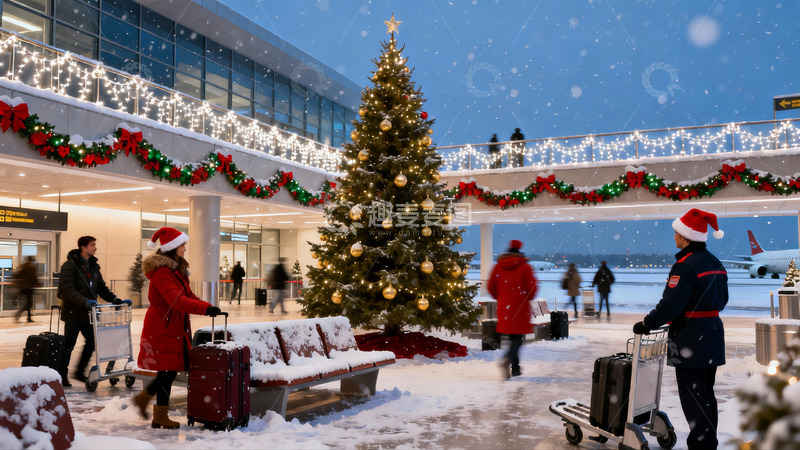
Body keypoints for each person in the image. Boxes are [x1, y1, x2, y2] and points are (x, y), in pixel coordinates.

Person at [633, 209, 728, 450]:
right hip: (712, 335)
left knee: (693, 398)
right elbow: (723, 300)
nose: (675, 237)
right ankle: (707, 442)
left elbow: (671, 306)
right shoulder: (715, 262)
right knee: (705, 394)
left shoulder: (685, 265)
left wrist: (647, 323)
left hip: (689, 338)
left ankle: (701, 445)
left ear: (685, 236)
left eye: (677, 233)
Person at [132, 227, 221, 429]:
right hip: (162, 327)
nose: (185, 248)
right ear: (172, 247)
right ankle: (158, 413)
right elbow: (176, 300)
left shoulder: (176, 270)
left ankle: (152, 407)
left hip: (174, 325)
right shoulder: (163, 273)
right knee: (167, 370)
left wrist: (208, 307)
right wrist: (205, 310)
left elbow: (188, 295)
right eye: (182, 245)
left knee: (169, 371)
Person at [59, 236, 123, 387]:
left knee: (93, 342)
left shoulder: (94, 266)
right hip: (73, 313)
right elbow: (67, 289)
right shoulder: (70, 265)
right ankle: (61, 375)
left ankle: (79, 371)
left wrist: (113, 298)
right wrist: (84, 301)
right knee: (69, 344)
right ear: (83, 247)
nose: (95, 247)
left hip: (89, 314)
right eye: (92, 245)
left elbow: (101, 288)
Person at [487, 240, 538, 379]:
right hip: (520, 306)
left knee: (512, 337)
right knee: (518, 337)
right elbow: (533, 289)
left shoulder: (498, 266)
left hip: (505, 306)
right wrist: (526, 296)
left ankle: (515, 368)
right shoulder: (525, 267)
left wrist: (501, 297)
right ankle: (508, 360)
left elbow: (490, 286)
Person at [13, 256, 39, 323]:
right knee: (29, 303)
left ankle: (28, 317)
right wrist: (37, 283)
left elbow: (17, 275)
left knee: (28, 303)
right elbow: (34, 277)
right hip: (29, 288)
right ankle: (20, 314)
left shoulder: (22, 266)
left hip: (22, 287)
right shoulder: (31, 267)